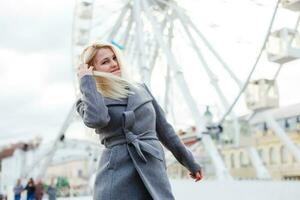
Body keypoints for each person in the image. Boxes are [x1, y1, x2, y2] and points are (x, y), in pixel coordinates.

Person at [76, 42, 203, 200]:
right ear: (92, 70)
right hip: (116, 174)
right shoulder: (87, 101)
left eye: (114, 58)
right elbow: (99, 119)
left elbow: (165, 131)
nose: (114, 64)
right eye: (105, 62)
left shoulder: (141, 89)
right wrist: (87, 82)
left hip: (152, 166)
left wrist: (189, 161)